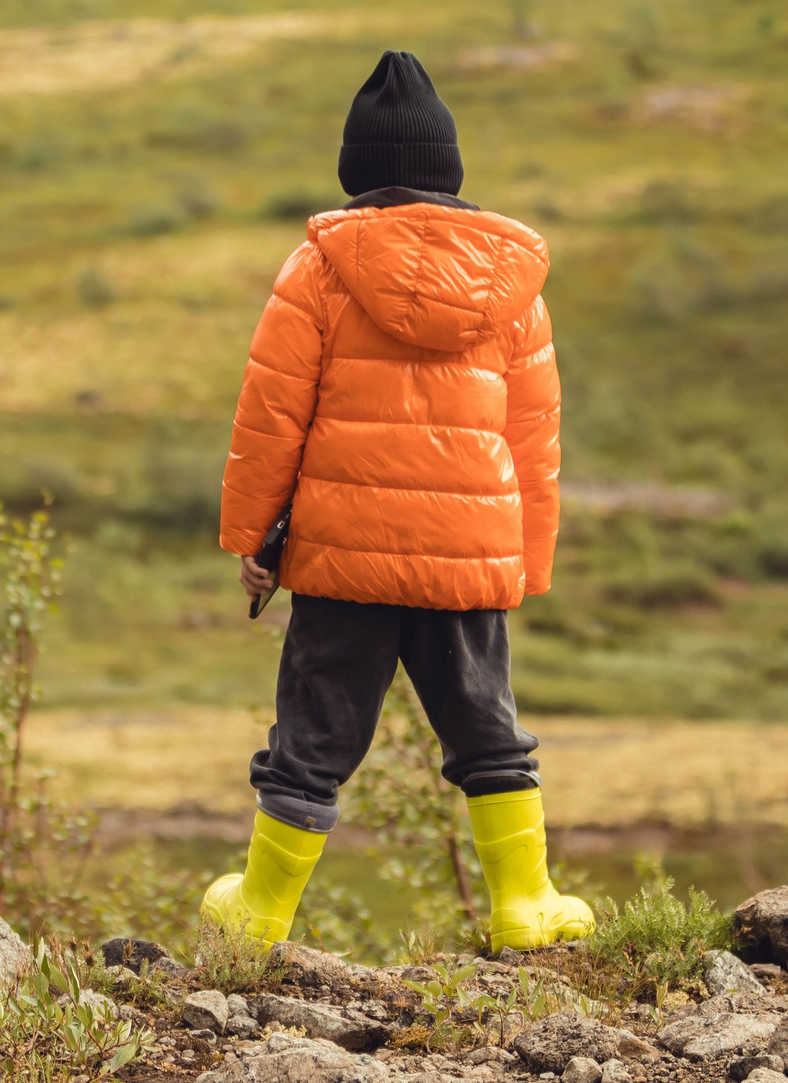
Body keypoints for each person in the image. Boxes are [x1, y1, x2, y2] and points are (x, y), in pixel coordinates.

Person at [203, 49, 593, 953]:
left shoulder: (318, 268)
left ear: (356, 173)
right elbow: (533, 439)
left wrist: (254, 538)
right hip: (467, 561)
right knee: (489, 733)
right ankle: (524, 906)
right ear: (449, 170)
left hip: (343, 558)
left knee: (311, 739)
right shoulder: (513, 288)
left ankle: (259, 915)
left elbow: (270, 414)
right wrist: (526, 565)